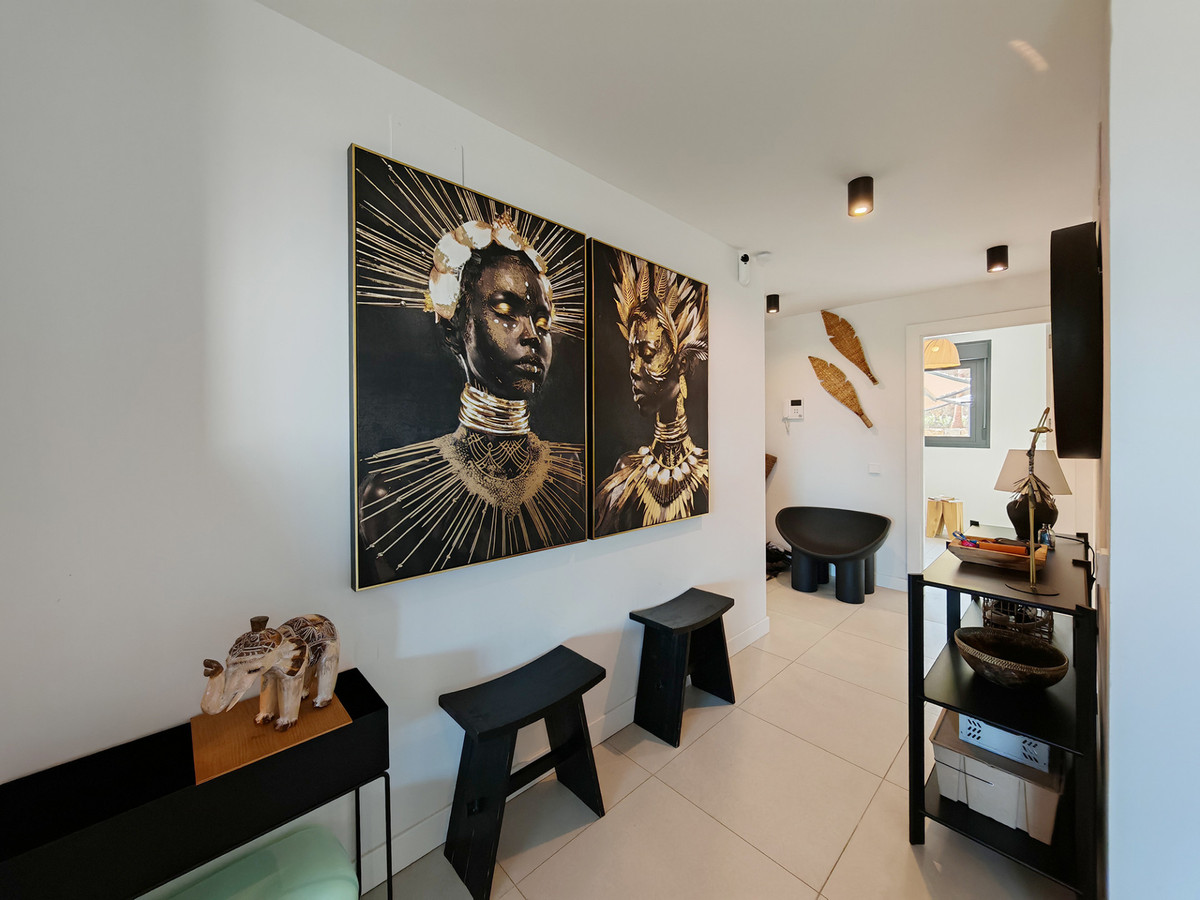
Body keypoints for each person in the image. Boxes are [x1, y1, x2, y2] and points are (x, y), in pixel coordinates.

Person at [357, 217, 586, 586]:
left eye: (542, 322)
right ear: (454, 328)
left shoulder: (573, 475)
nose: (532, 334)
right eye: (506, 310)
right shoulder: (394, 493)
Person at [593, 254, 709, 536]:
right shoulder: (625, 477)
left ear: (681, 363)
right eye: (632, 356)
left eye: (647, 354)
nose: (634, 370)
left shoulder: (708, 475)